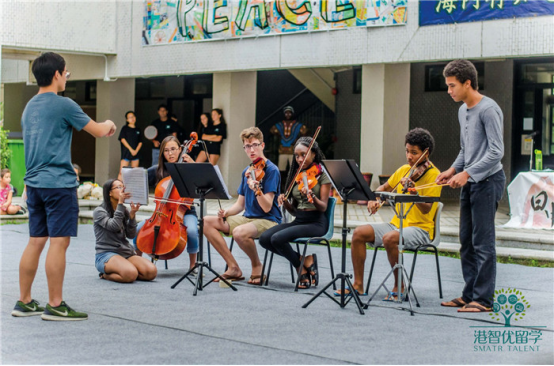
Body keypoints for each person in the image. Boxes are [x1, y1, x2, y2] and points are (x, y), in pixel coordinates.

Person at [13, 52, 116, 321]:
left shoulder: (29, 107)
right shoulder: (63, 104)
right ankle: (55, 304)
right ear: (57, 74)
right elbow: (98, 130)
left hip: (33, 185)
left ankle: (24, 301)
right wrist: (110, 123)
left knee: (36, 241)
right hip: (58, 185)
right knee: (59, 242)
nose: (67, 77)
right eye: (66, 73)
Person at [337, 128, 442, 299]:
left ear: (426, 153)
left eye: (414, 153)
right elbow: (384, 188)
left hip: (421, 229)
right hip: (396, 224)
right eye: (407, 151)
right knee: (358, 233)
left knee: (390, 238)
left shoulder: (434, 175)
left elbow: (427, 208)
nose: (409, 157)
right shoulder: (403, 170)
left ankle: (399, 286)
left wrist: (413, 193)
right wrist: (374, 198)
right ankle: (358, 285)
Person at [437, 59, 505, 313]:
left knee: (483, 242)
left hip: (489, 181)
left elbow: (497, 152)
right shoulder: (462, 110)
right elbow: (467, 149)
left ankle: (484, 300)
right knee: (466, 241)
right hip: (471, 180)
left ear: (468, 83)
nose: (449, 91)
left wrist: (467, 173)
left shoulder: (489, 109)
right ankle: (470, 295)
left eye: (452, 85)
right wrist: (453, 170)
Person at [203, 127, 282, 285]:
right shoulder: (247, 171)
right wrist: (226, 212)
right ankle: (233, 267)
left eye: (254, 145)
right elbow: (240, 205)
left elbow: (267, 208)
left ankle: (256, 265)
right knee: (205, 221)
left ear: (262, 145)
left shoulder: (272, 170)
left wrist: (257, 189)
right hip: (248, 219)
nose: (251, 150)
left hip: (269, 220)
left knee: (239, 233)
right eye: (247, 146)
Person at [259, 137, 331, 289]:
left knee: (277, 238)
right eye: (297, 155)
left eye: (303, 154)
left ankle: (300, 269)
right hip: (299, 220)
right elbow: (294, 210)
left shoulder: (323, 176)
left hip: (316, 222)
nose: (299, 159)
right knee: (265, 238)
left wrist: (312, 198)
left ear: (313, 153)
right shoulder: (298, 176)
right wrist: (285, 202)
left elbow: (323, 207)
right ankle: (305, 261)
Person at [134, 136, 200, 272]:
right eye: (166, 150)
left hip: (185, 213)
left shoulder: (188, 168)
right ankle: (137, 262)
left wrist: (193, 166)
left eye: (173, 149)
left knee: (192, 231)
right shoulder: (156, 170)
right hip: (160, 214)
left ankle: (193, 266)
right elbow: (138, 184)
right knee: (138, 229)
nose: (170, 153)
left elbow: (201, 185)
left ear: (180, 149)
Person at [94, 179, 157, 283]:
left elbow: (131, 235)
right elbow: (114, 226)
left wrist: (132, 216)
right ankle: (105, 275)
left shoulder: (123, 210)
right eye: (118, 187)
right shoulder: (99, 211)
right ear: (109, 193)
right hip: (106, 254)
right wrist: (120, 204)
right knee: (130, 275)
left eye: (123, 186)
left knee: (151, 272)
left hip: (125, 252)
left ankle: (125, 267)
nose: (123, 190)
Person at [270, 106, 308, 173]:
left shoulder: (297, 124)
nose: (288, 115)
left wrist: (298, 139)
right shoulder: (281, 124)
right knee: (281, 169)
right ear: (284, 114)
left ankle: (293, 182)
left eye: (289, 113)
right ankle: (282, 182)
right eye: (286, 113)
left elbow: (305, 131)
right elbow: (272, 130)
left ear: (292, 114)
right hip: (282, 150)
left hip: (293, 149)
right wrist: (280, 136)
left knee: (293, 169)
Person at [118, 111, 143, 180]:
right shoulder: (125, 128)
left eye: (133, 117)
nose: (132, 119)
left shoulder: (138, 129)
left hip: (136, 153)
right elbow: (122, 139)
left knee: (134, 172)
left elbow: (140, 142)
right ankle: (118, 187)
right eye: (130, 117)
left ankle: (133, 189)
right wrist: (131, 150)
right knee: (122, 172)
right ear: (127, 120)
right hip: (126, 152)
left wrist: (136, 151)